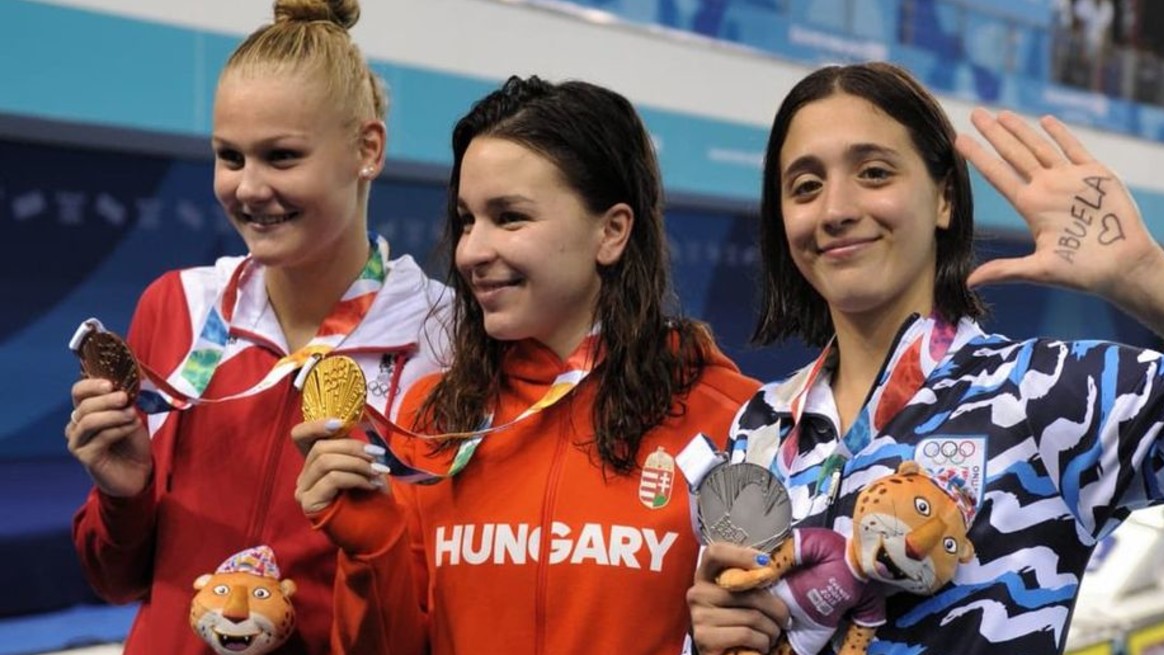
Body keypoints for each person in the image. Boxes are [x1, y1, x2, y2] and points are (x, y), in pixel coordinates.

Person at [686, 62, 1164, 655]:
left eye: (874, 173)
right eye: (806, 185)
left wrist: (1147, 278)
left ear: (945, 200)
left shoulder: (1047, 393)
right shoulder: (764, 422)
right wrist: (716, 635)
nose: (836, 208)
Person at [292, 75, 760, 654]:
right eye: (467, 220)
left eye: (509, 217)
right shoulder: (432, 424)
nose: (471, 252)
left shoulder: (735, 423)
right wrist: (373, 551)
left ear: (611, 232)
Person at [65, 1, 452, 653]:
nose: (248, 188)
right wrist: (122, 495)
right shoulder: (177, 306)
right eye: (230, 156)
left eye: (281, 156)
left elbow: (437, 604)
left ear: (368, 148)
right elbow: (116, 579)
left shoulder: (444, 333)